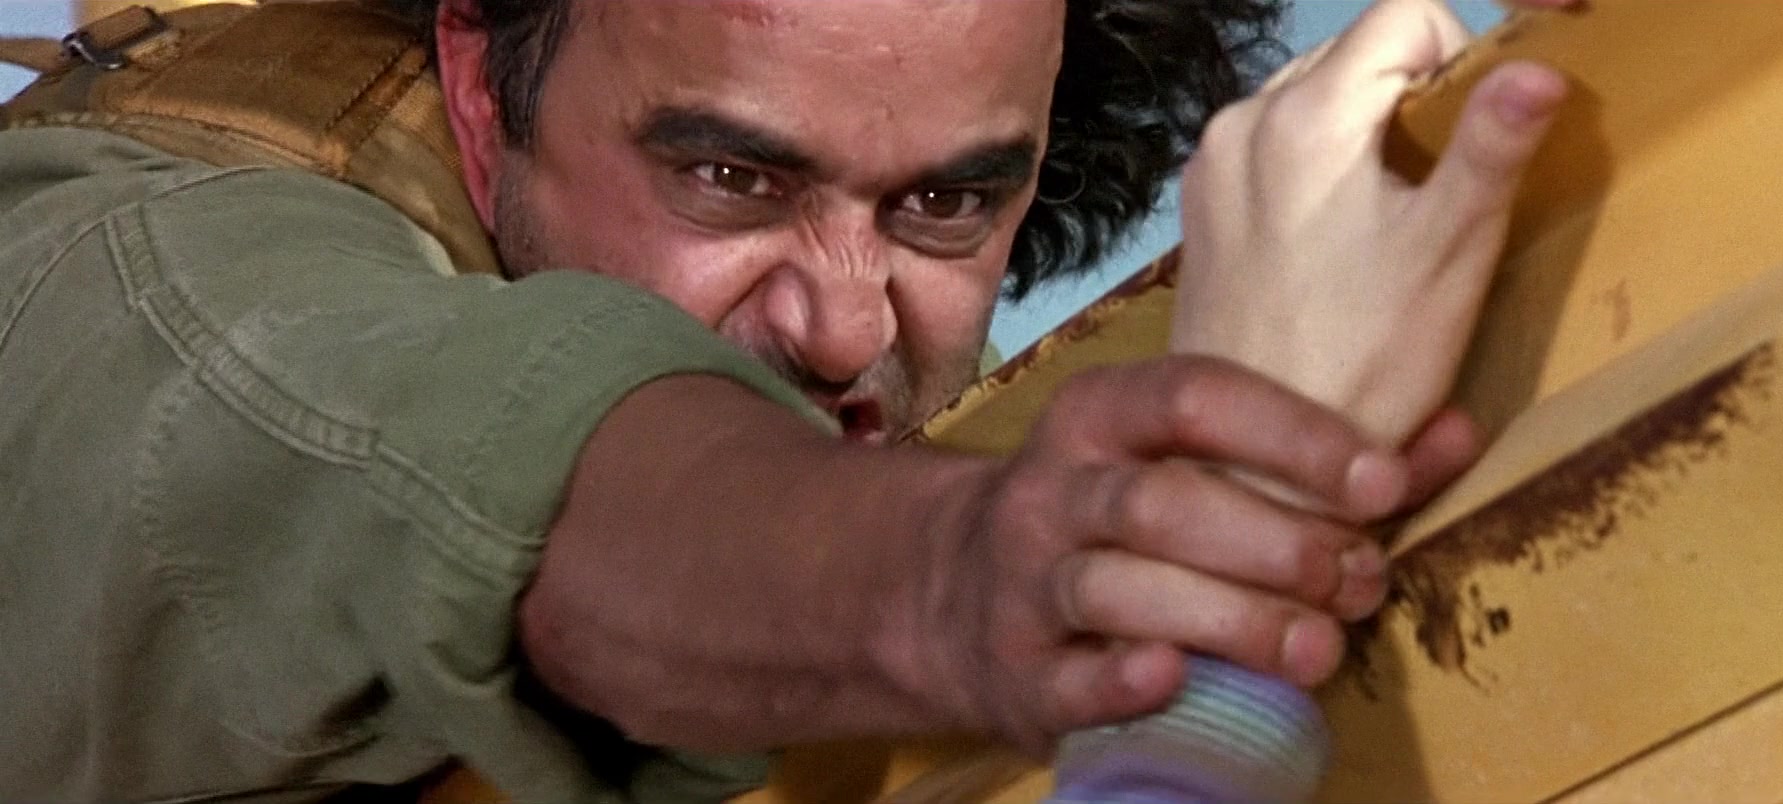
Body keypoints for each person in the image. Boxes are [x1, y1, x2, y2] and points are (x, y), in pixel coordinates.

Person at [0, 0, 1566, 800]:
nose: (845, 323)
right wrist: (985, 579)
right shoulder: (148, 295)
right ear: (482, 90)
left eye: (946, 204)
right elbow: (504, 455)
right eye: (730, 179)